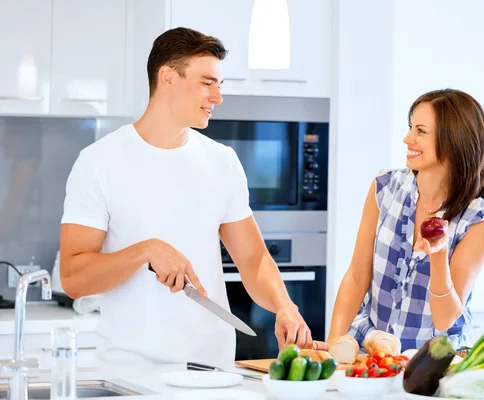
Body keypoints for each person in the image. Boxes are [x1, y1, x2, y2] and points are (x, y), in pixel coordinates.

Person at [59, 27, 312, 368]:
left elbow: (252, 260)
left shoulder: (222, 161)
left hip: (213, 367)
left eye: (219, 85)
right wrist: (145, 250)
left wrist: (284, 305)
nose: (217, 97)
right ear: (167, 77)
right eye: (207, 83)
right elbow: (73, 278)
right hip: (131, 371)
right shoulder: (99, 162)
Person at [315, 89, 484, 352]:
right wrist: (334, 343)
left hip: (434, 360)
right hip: (369, 347)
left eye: (420, 131)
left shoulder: (480, 217)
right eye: (410, 127)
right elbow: (357, 276)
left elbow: (445, 317)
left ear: (454, 140)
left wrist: (438, 258)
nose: (407, 139)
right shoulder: (385, 188)